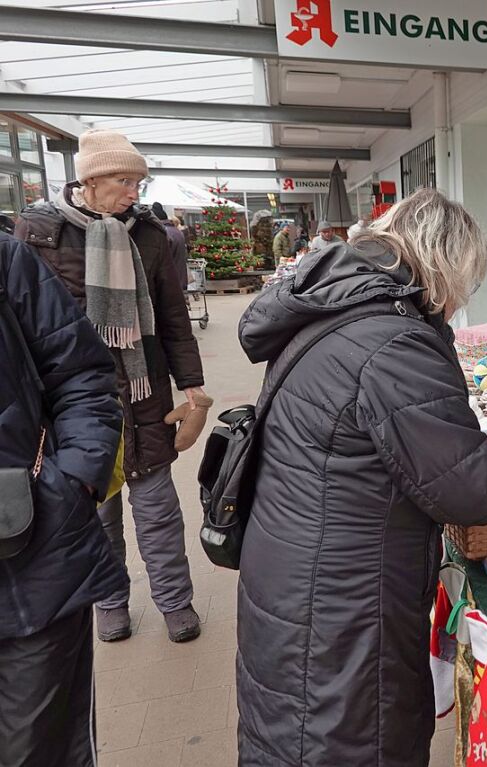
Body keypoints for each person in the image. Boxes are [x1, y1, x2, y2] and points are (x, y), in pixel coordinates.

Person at [235, 188, 487, 766]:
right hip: (341, 601)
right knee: (350, 740)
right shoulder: (393, 339)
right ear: (445, 266)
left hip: (298, 574)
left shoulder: (343, 307)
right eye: (467, 282)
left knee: (292, 734)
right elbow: (470, 489)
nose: (460, 301)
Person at [14, 129, 208, 644]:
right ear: (91, 179)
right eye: (125, 181)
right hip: (76, 402)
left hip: (144, 391)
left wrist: (192, 385)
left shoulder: (150, 234)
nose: (134, 193)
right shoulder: (36, 233)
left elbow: (172, 315)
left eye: (139, 183)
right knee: (95, 511)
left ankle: (174, 602)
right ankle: (110, 601)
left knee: (159, 510)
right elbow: (25, 326)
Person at [0, 232, 126, 766]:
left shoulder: (8, 259)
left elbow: (80, 371)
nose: (131, 190)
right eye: (123, 180)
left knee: (42, 748)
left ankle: (144, 605)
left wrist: (74, 481)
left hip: (33, 557)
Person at [151, 202, 189, 290]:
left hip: (169, 282)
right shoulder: (177, 232)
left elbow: (163, 259)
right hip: (179, 278)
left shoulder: (162, 233)